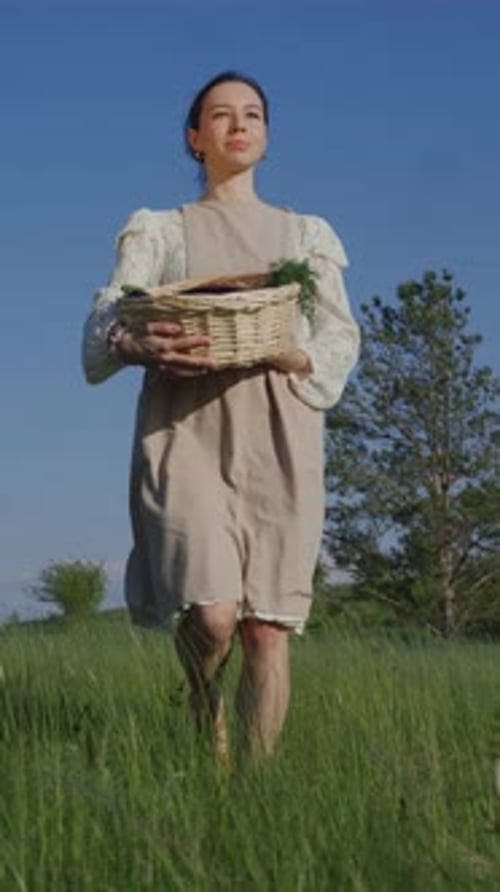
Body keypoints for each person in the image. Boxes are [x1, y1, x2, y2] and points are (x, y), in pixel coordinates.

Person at [82, 71, 360, 762]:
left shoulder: (305, 235)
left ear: (267, 137)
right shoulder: (162, 229)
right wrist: (133, 342)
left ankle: (250, 796)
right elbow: (110, 314)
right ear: (194, 138)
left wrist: (293, 358)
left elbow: (339, 335)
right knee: (211, 617)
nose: (239, 125)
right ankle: (203, 709)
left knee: (266, 626)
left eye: (253, 115)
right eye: (220, 115)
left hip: (280, 432)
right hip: (184, 432)